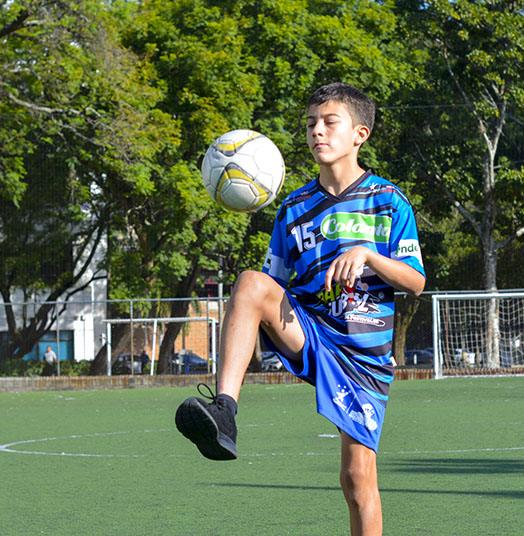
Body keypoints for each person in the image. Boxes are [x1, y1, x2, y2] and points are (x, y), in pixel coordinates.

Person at [175, 82, 425, 536]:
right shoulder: (292, 208)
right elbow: (270, 287)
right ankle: (225, 412)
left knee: (357, 477)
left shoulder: (389, 200)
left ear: (360, 134)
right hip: (308, 331)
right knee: (250, 282)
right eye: (311, 124)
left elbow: (416, 281)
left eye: (330, 122)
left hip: (362, 356)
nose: (317, 132)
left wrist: (366, 255)